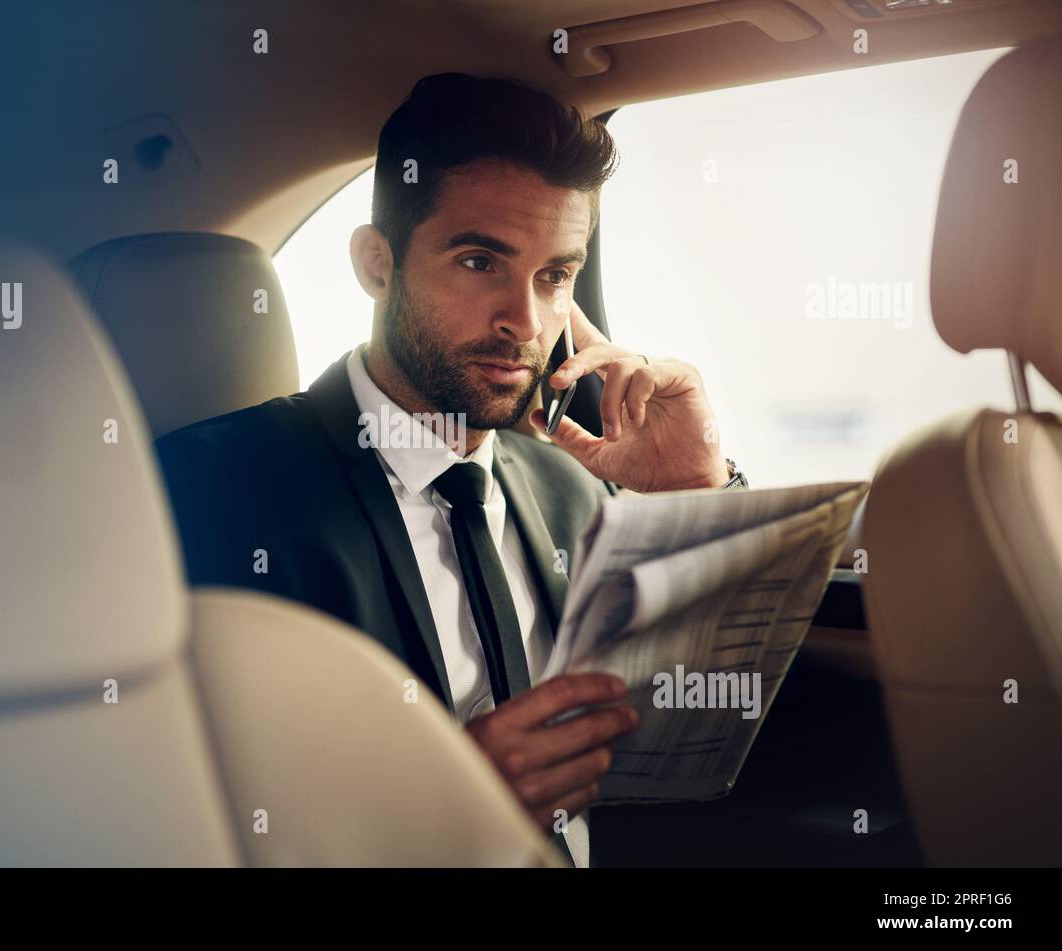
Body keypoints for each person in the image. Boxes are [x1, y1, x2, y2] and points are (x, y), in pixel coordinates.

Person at [155, 73, 745, 866]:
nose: (525, 322)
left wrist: (696, 501)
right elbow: (175, 812)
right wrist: (435, 803)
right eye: (479, 262)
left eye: (555, 275)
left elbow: (699, 726)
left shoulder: (577, 484)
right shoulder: (204, 491)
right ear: (375, 264)